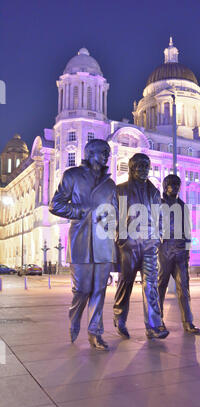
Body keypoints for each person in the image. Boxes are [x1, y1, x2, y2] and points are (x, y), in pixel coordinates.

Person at [49, 139, 117, 350]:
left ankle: (95, 332)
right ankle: (75, 316)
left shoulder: (110, 184)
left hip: (103, 243)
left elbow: (114, 213)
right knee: (81, 289)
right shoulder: (73, 175)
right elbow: (55, 204)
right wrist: (81, 211)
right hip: (80, 240)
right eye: (103, 152)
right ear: (90, 153)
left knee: (99, 290)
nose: (107, 156)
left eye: (108, 152)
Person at [113, 153, 169, 340]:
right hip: (129, 244)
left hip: (149, 244)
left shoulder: (154, 191)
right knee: (126, 283)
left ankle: (154, 325)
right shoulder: (120, 189)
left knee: (151, 284)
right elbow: (116, 217)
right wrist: (121, 239)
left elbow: (159, 215)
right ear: (132, 168)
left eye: (147, 165)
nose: (144, 169)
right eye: (140, 165)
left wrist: (159, 236)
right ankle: (119, 316)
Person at [158, 174, 200, 334]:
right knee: (160, 287)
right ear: (165, 186)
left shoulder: (183, 206)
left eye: (177, 184)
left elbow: (188, 230)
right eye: (171, 184)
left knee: (184, 287)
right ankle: (157, 321)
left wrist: (187, 251)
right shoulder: (158, 204)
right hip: (164, 249)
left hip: (181, 250)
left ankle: (188, 322)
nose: (175, 187)